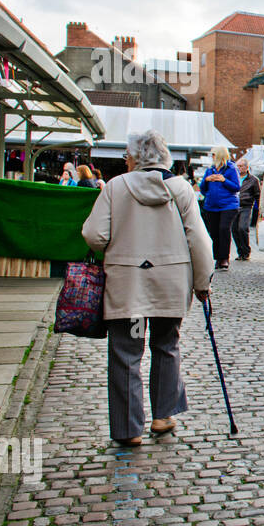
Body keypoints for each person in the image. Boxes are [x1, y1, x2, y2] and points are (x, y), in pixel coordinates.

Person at [81, 130, 213, 446]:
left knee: (127, 351)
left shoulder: (115, 187)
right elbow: (199, 240)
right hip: (168, 287)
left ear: (134, 158)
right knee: (166, 346)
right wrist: (202, 284)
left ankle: (128, 429)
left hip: (129, 289)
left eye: (127, 156)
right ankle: (162, 416)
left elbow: (93, 235)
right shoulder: (180, 189)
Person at [200, 146, 241, 272]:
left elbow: (237, 187)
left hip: (228, 205)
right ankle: (217, 257)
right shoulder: (210, 170)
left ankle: (224, 258)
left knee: (224, 229)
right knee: (214, 231)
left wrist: (224, 180)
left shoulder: (231, 169)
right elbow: (202, 189)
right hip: (211, 206)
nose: (212, 157)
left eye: (213, 154)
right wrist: (207, 180)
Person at [233, 158, 260, 261]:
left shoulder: (253, 180)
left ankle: (246, 251)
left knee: (242, 228)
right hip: (234, 206)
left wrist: (260, 210)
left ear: (247, 167)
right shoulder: (234, 177)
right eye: (238, 166)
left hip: (246, 206)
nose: (239, 168)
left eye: (241, 166)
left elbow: (258, 195)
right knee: (234, 229)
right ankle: (240, 252)